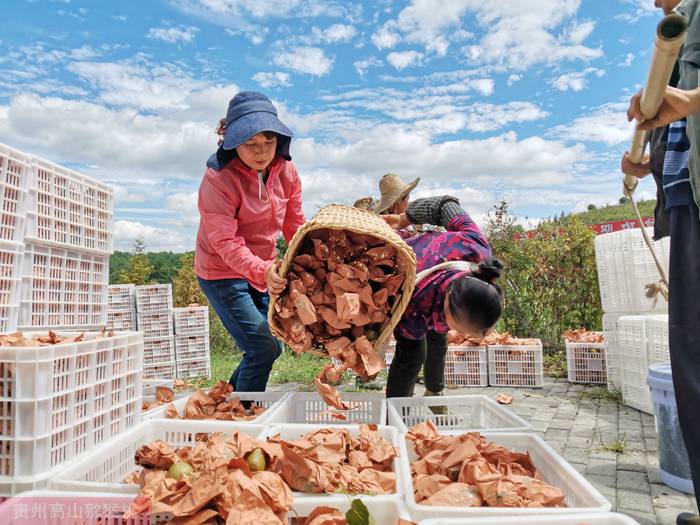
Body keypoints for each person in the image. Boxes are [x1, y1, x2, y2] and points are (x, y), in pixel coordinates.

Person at [626, 1, 700, 521]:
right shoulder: (684, 22)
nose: (655, 3)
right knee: (691, 360)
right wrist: (645, 158)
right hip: (685, 201)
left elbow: (688, 105)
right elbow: (677, 131)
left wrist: (691, 99)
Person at [195, 91, 305, 392]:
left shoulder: (287, 170)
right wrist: (261, 272)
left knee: (272, 345)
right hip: (222, 271)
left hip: (263, 268)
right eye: (251, 145)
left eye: (269, 143)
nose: (262, 152)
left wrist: (310, 258)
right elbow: (225, 242)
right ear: (232, 142)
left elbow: (294, 222)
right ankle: (244, 416)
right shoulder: (219, 178)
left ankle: (227, 401)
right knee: (263, 347)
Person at [380, 195, 499, 398]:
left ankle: (435, 393)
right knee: (412, 354)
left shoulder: (477, 248)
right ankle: (396, 414)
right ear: (446, 302)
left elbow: (447, 205)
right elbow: (444, 204)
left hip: (438, 295)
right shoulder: (416, 308)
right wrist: (403, 219)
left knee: (438, 342)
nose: (458, 333)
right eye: (455, 325)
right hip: (402, 273)